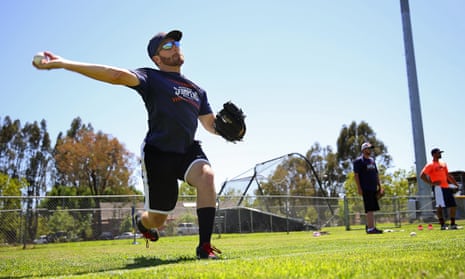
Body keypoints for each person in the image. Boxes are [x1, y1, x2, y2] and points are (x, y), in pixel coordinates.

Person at [33, 30, 222, 259]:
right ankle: (142, 223)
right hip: (158, 153)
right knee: (157, 219)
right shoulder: (151, 77)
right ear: (156, 58)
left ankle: (204, 247)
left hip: (187, 150)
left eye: (176, 42)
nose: (175, 46)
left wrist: (229, 129)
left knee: (207, 177)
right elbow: (115, 75)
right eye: (167, 45)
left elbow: (210, 124)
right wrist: (64, 63)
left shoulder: (197, 90)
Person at [420, 148, 459, 230]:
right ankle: (442, 225)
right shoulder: (430, 165)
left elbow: (448, 175)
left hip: (446, 187)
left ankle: (452, 224)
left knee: (453, 205)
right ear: (434, 154)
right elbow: (422, 175)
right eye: (439, 153)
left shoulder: (443, 163)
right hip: (438, 188)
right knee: (440, 206)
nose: (440, 154)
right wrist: (432, 183)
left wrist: (456, 184)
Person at [353, 142, 384, 234]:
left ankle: (370, 226)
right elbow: (356, 175)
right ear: (363, 150)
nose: (370, 150)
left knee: (372, 208)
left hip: (373, 188)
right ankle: (371, 229)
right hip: (365, 188)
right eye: (368, 148)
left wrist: (380, 186)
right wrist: (359, 188)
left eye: (370, 148)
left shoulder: (372, 161)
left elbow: (376, 174)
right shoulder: (359, 161)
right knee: (369, 208)